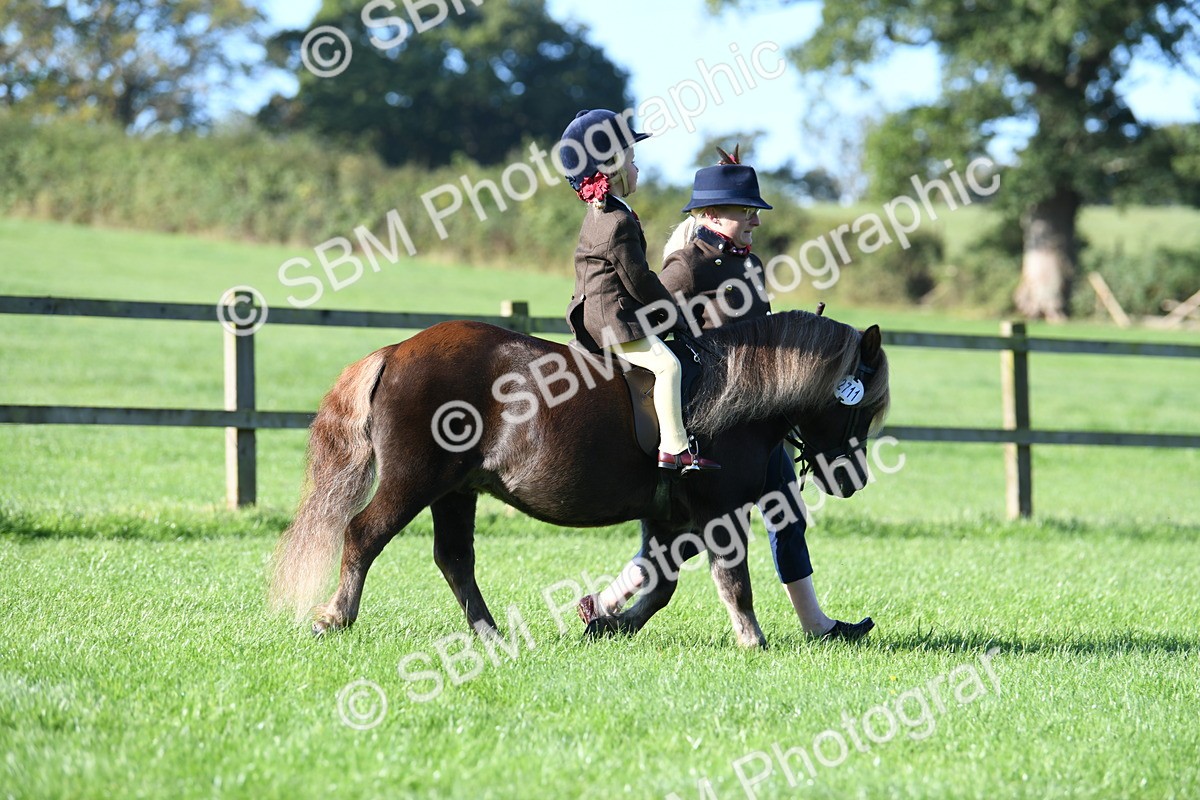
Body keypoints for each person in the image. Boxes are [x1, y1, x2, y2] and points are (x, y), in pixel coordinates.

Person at [576, 146, 874, 641]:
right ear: (711, 215)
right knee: (694, 536)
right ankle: (607, 601)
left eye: (755, 211)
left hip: (761, 417)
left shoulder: (750, 266)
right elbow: (656, 320)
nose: (755, 221)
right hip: (721, 419)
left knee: (787, 517)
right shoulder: (688, 267)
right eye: (746, 211)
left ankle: (816, 625)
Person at [560, 109, 719, 471]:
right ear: (613, 167)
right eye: (633, 160)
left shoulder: (606, 214)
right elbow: (640, 281)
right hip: (611, 321)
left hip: (597, 313)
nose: (637, 168)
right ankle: (675, 448)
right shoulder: (617, 222)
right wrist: (676, 315)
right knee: (668, 366)